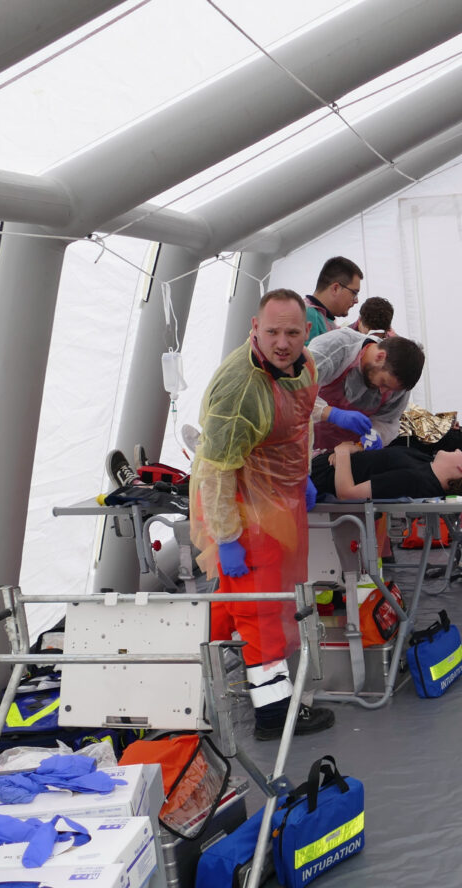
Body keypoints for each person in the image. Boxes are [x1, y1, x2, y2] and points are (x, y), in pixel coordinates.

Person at [188, 288, 333, 741]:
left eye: (292, 333)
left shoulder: (304, 363)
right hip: (243, 511)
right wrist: (227, 537)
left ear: (306, 331)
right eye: (272, 332)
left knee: (241, 603)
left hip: (280, 500)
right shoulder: (240, 387)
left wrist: (303, 472)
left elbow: (299, 416)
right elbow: (216, 471)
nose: (282, 343)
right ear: (255, 328)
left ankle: (190, 686)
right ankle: (274, 716)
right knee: (262, 612)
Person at [306, 325, 426, 452]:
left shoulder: (398, 385)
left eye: (390, 389)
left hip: (345, 453)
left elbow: (387, 422)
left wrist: (376, 434)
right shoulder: (338, 347)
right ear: (380, 357)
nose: (383, 391)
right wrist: (331, 414)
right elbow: (295, 392)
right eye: (383, 383)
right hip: (302, 442)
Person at [310, 442, 462, 502]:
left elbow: (347, 494)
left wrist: (343, 452)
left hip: (312, 477)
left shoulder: (414, 479)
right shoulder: (426, 464)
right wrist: (355, 449)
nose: (457, 449)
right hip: (318, 463)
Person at [304, 256, 362, 342]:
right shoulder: (307, 314)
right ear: (335, 288)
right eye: (354, 293)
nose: (356, 300)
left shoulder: (323, 317)